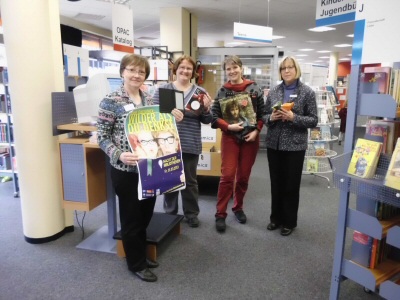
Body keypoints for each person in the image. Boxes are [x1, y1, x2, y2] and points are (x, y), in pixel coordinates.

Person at [97, 53, 183, 282]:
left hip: (149, 168)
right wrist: (118, 154)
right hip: (126, 171)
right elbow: (102, 137)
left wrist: (173, 118)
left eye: (141, 72)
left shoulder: (148, 98)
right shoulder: (111, 100)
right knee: (131, 218)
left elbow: (159, 125)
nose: (136, 75)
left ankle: (141, 253)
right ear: (122, 72)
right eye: (132, 70)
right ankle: (135, 263)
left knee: (145, 215)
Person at [152, 55, 213, 228]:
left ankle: (191, 214)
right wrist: (168, 116)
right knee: (169, 179)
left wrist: (207, 108)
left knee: (190, 181)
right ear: (176, 69)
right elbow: (154, 116)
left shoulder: (200, 92)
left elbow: (207, 120)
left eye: (189, 68)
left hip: (190, 142)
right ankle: (170, 213)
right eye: (182, 67)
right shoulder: (164, 90)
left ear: (193, 72)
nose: (185, 71)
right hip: (167, 143)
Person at [264, 56, 318, 236]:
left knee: (291, 185)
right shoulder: (273, 92)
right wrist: (271, 118)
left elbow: (313, 119)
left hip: (295, 146)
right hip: (274, 144)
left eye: (290, 67)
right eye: (283, 68)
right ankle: (275, 218)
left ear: (297, 70)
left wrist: (293, 117)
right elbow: (263, 115)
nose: (287, 71)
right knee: (276, 183)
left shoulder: (307, 92)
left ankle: (289, 222)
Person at [211, 55, 265, 233]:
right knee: (227, 177)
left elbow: (262, 114)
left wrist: (256, 131)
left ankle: (238, 207)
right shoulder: (222, 91)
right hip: (230, 138)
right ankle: (220, 213)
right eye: (228, 69)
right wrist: (228, 126)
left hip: (250, 139)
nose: (232, 71)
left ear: (241, 68)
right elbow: (214, 117)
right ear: (225, 71)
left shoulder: (254, 88)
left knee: (243, 177)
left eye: (235, 67)